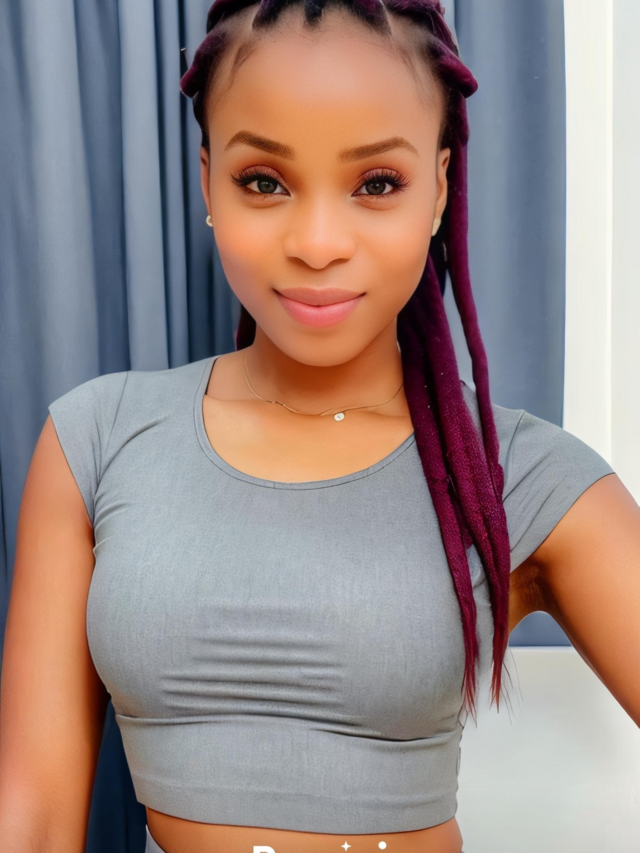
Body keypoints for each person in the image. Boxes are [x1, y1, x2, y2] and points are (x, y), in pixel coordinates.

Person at [1, 1, 639, 852]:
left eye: (376, 183)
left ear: (440, 186)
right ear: (207, 182)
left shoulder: (520, 473)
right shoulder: (96, 440)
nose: (317, 242)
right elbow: (36, 817)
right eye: (264, 181)